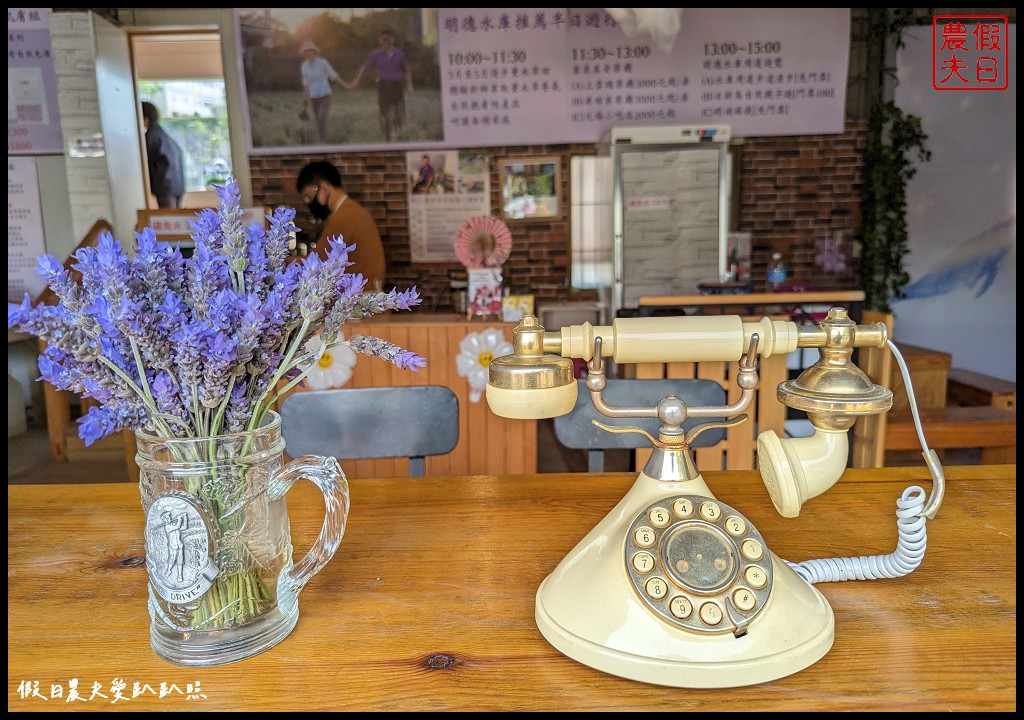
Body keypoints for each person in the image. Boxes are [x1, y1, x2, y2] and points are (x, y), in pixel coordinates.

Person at [296, 160, 386, 290]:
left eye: (308, 197)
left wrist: (281, 260)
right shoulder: (353, 210)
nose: (309, 204)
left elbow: (315, 263)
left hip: (360, 302)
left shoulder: (343, 218)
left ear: (324, 187)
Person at [344, 29, 413, 142]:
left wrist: (410, 86)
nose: (386, 42)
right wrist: (357, 81)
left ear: (392, 40)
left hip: (396, 86)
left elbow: (406, 70)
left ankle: (398, 133)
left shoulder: (399, 54)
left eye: (388, 40)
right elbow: (365, 68)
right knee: (384, 111)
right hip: (383, 86)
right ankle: (387, 137)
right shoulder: (376, 54)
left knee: (399, 111)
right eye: (384, 40)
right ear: (380, 41)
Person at [141, 101, 185, 209]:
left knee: (169, 220)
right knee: (175, 220)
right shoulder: (163, 134)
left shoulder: (150, 136)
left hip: (165, 187)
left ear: (145, 118)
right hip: (177, 185)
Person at [298, 40, 343, 144]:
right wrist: (304, 100)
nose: (309, 53)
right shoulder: (304, 66)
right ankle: (322, 140)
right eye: (306, 51)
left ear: (314, 52)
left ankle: (323, 141)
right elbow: (306, 84)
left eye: (311, 51)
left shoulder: (322, 62)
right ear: (304, 53)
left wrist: (346, 86)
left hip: (325, 95)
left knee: (322, 117)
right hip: (313, 97)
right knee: (318, 120)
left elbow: (333, 75)